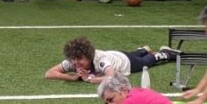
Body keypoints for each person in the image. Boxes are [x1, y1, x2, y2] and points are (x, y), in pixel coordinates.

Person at [45, 37, 178, 84]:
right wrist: (72, 78)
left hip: (125, 61)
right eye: (73, 58)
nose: (76, 63)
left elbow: (111, 77)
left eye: (80, 59)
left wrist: (89, 79)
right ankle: (143, 50)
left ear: (89, 56)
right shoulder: (73, 62)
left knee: (146, 62)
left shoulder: (100, 60)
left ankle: (164, 53)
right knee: (136, 54)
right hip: (114, 54)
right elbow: (49, 74)